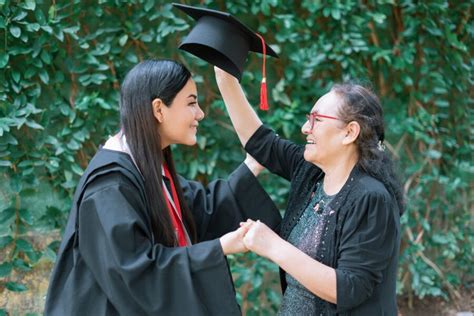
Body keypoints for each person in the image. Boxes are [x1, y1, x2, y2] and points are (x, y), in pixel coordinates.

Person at [44, 59, 281, 315]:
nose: (200, 113)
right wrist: (220, 247)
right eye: (191, 103)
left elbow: (201, 208)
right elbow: (137, 272)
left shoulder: (145, 165)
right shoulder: (110, 185)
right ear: (158, 109)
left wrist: (253, 165)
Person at [215, 67, 404, 315]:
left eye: (316, 119)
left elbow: (350, 288)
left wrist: (273, 246)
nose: (306, 127)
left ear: (349, 133)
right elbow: (261, 143)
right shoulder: (311, 172)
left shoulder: (371, 198)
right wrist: (225, 78)